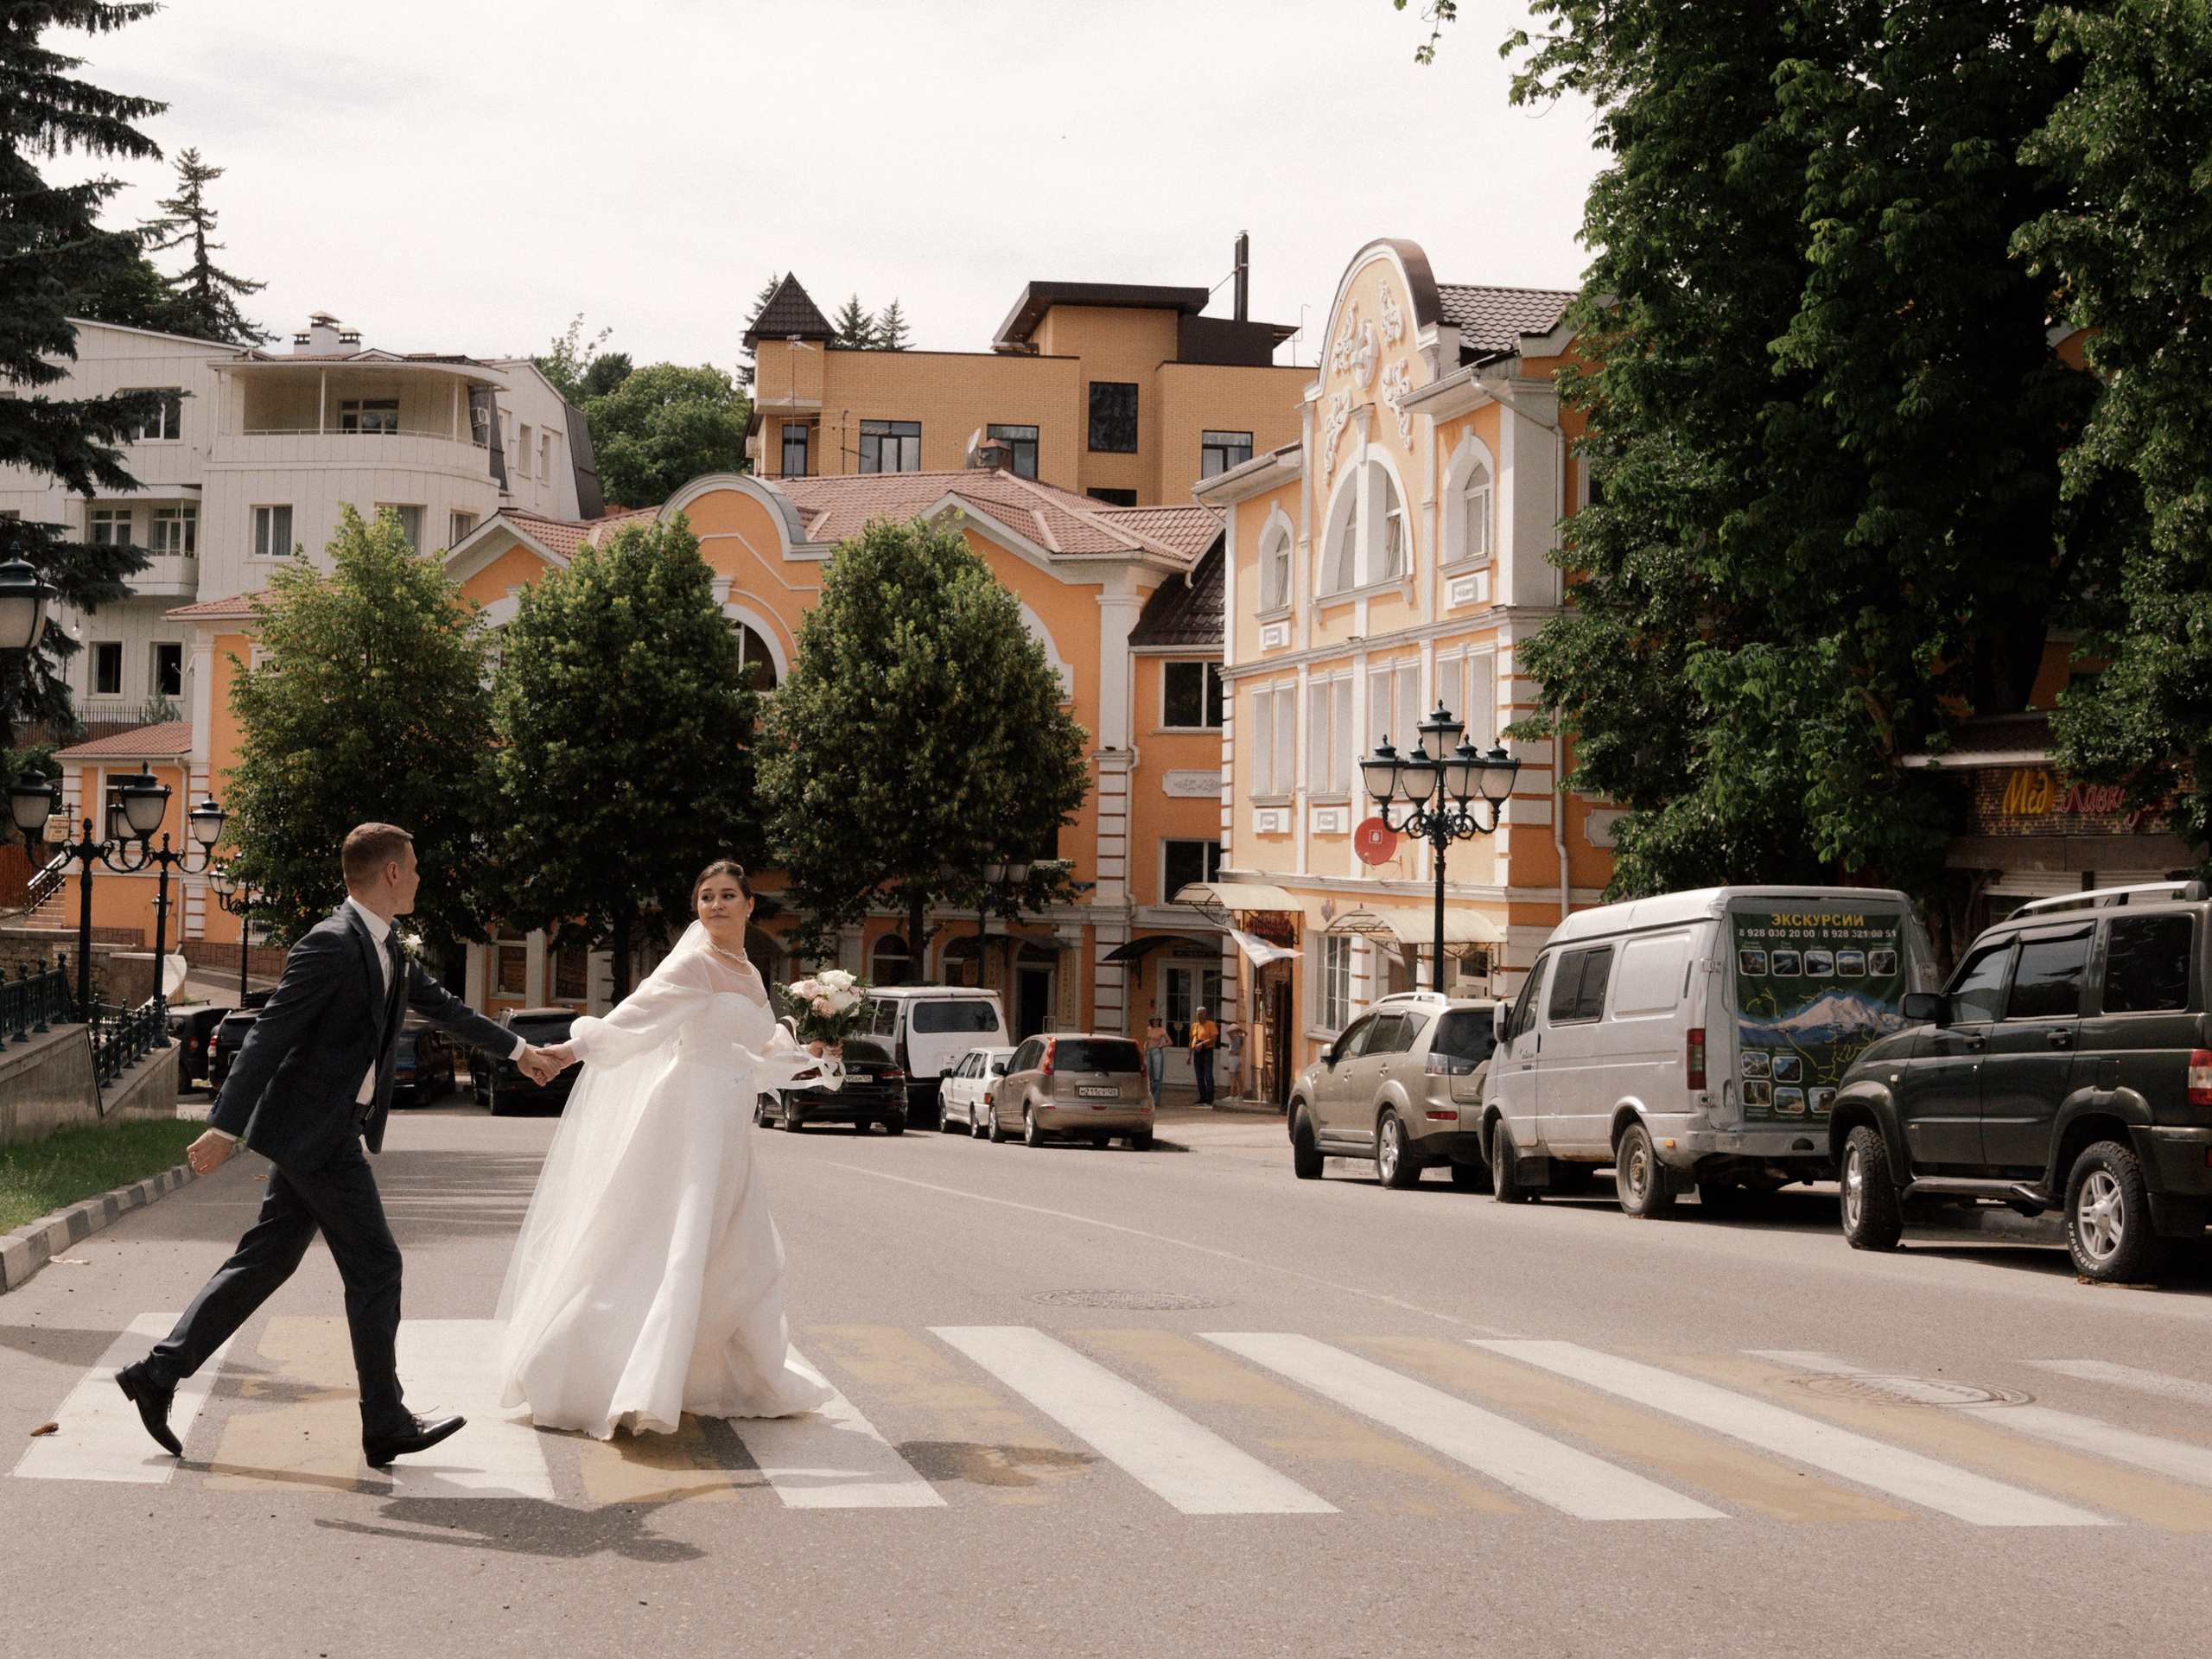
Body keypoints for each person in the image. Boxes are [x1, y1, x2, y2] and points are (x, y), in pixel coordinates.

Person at [116, 824, 567, 1467]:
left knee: (267, 1260)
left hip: (322, 1131)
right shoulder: (329, 943)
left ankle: (157, 1375)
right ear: (388, 873)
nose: (418, 877)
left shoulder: (386, 947)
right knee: (377, 1266)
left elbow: (445, 1010)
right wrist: (224, 1125)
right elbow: (271, 1034)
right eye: (413, 867)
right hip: (316, 1136)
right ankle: (384, 1420)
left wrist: (521, 1052)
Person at [496, 861, 841, 1439]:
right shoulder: (694, 963)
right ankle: (606, 1375)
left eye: (729, 895)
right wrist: (568, 1050)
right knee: (673, 1248)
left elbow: (759, 1055)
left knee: (741, 1252)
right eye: (706, 897)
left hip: (730, 1123)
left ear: (750, 906)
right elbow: (638, 1018)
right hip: (690, 1120)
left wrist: (813, 1048)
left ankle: (713, 1375)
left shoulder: (751, 973)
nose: (717, 905)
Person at [1190, 1005, 1219, 1106]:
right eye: (1198, 1014)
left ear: (1206, 1014)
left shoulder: (1211, 1024)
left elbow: (1214, 1038)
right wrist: (1189, 1055)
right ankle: (1202, 1097)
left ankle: (1209, 1098)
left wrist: (1202, 1044)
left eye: (1201, 1014)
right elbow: (1191, 1041)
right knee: (1199, 1076)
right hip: (1197, 1053)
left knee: (1208, 1075)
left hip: (1207, 1051)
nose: (1200, 1016)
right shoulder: (1194, 1026)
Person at [1143, 1012, 1168, 1107]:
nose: (1155, 1022)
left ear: (1159, 1021)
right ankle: (1150, 1097)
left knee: (1157, 1076)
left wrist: (1162, 1045)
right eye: (1154, 1020)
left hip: (1157, 1052)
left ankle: (1156, 1099)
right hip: (1149, 1052)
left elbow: (1170, 1041)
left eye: (1157, 1020)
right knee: (1149, 1073)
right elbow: (1147, 1039)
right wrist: (1145, 1046)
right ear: (1151, 1021)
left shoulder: (1161, 1030)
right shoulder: (1149, 1029)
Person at [1222, 1020, 1247, 1101]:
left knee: (1232, 1077)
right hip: (1239, 1058)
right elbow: (1246, 1033)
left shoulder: (1234, 1036)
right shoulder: (1241, 1036)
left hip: (1233, 1058)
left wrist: (1234, 1028)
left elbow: (1227, 1031)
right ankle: (1240, 1095)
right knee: (1239, 1077)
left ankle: (1232, 1095)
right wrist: (1240, 1029)